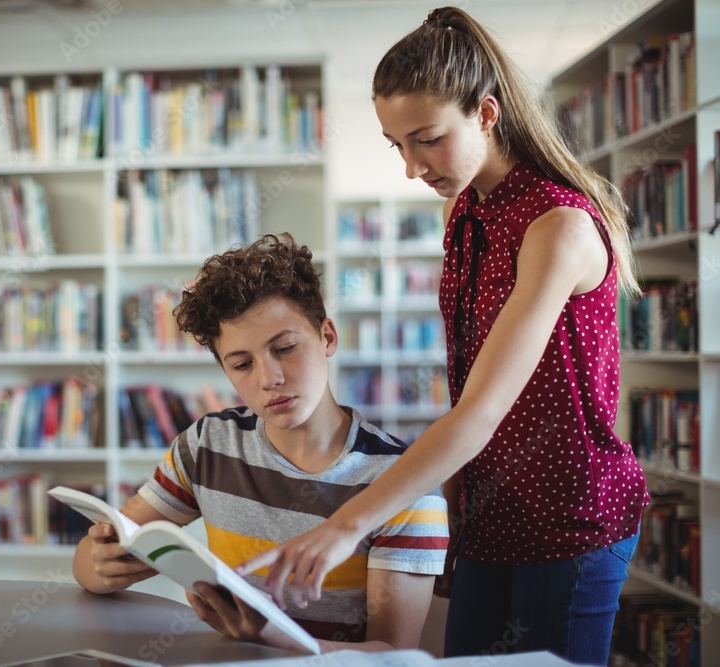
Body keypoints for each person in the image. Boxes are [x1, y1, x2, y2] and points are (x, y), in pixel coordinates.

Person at [235, 7, 651, 666]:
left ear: (486, 114)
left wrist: (350, 524)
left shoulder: (558, 226)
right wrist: (452, 512)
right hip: (489, 513)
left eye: (427, 138)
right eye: (396, 144)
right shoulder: (466, 212)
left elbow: (480, 411)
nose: (411, 167)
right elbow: (470, 387)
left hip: (571, 513)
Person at [72, 233, 448, 653]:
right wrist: (99, 565)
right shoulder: (207, 446)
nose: (269, 378)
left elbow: (395, 655)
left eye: (285, 348)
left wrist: (271, 636)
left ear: (327, 337)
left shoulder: (406, 483)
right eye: (242, 364)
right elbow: (92, 558)